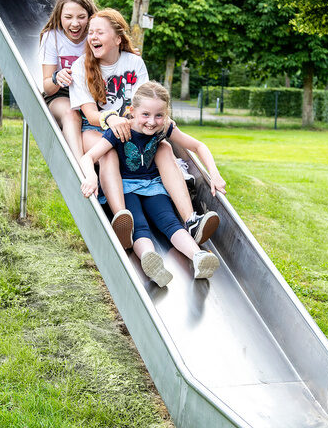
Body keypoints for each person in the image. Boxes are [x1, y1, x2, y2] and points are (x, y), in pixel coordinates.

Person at [69, 9, 219, 249]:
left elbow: (144, 103)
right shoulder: (81, 67)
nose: (92, 37)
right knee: (107, 153)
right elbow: (90, 115)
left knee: (164, 147)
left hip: (134, 127)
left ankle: (191, 220)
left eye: (99, 32)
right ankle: (122, 220)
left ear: (117, 38)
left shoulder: (134, 63)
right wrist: (112, 120)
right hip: (97, 128)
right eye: (91, 32)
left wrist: (157, 120)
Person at [80, 81, 227, 286]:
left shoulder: (164, 128)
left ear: (166, 115)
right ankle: (151, 261)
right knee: (138, 225)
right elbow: (88, 157)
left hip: (153, 185)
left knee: (169, 221)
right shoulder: (119, 131)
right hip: (126, 187)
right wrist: (90, 177)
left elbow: (197, 145)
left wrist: (214, 174)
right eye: (146, 115)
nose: (152, 121)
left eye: (159, 115)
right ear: (132, 111)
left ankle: (198, 257)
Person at [40, 0, 98, 161]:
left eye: (81, 17)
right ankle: (80, 168)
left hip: (91, 94)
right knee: (71, 113)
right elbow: (48, 87)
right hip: (61, 94)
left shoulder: (95, 36)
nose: (75, 23)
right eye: (68, 17)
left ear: (89, 17)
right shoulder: (52, 37)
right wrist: (56, 77)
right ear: (59, 16)